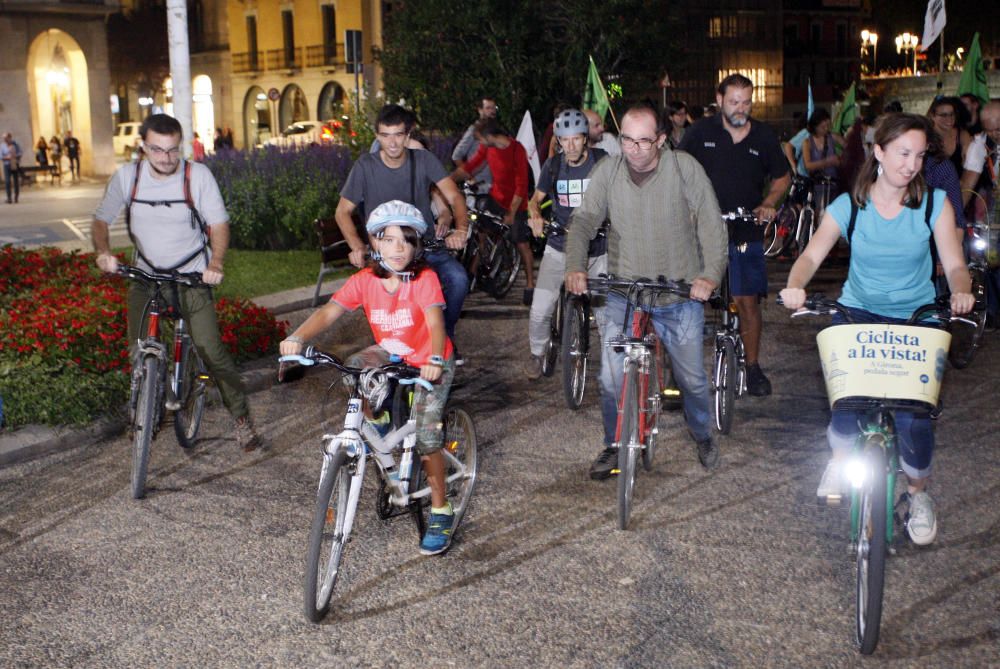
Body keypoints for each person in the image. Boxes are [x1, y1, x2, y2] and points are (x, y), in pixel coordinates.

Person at [779, 113, 974, 546]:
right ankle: (840, 458)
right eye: (903, 153)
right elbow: (811, 256)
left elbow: (956, 264)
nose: (911, 164)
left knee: (913, 416)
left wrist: (962, 291)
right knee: (846, 404)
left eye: (919, 156)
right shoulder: (851, 205)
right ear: (879, 152)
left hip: (916, 318)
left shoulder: (934, 203)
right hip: (858, 314)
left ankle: (919, 494)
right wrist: (795, 285)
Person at [280, 201, 459, 555]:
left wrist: (436, 358)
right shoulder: (364, 281)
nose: (397, 248)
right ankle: (376, 424)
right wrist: (297, 337)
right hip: (391, 351)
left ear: (416, 246)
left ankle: (441, 509)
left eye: (406, 241)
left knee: (425, 436)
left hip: (429, 359)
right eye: (388, 239)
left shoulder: (424, 280)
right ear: (374, 243)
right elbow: (330, 311)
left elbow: (436, 322)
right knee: (353, 368)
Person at [565, 103, 727, 476]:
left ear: (661, 139)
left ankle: (702, 434)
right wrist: (575, 266)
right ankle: (615, 443)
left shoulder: (684, 168)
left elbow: (710, 222)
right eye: (627, 140)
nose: (635, 150)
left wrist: (709, 274)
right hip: (626, 291)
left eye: (644, 141)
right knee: (610, 377)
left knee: (691, 379)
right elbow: (585, 219)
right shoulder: (609, 170)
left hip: (678, 293)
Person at [90, 113, 261, 451]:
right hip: (146, 275)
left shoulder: (196, 176)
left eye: (172, 150)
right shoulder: (128, 177)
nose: (166, 158)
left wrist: (216, 262)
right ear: (142, 147)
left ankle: (241, 418)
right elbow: (100, 220)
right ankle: (142, 412)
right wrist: (104, 252)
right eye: (157, 150)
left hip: (191, 275)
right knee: (137, 349)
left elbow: (219, 224)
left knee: (211, 348)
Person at [679, 73, 791, 397]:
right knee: (689, 301)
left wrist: (769, 203)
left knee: (747, 300)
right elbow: (677, 170)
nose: (740, 108)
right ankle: (679, 373)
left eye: (746, 101)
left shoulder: (764, 137)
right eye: (733, 101)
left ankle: (753, 367)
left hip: (745, 230)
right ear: (719, 100)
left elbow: (782, 178)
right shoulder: (700, 133)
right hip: (702, 231)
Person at [335, 104, 470, 362]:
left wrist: (461, 229)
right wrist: (356, 245)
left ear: (408, 136)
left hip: (424, 248)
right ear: (377, 136)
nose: (392, 142)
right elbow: (342, 211)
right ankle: (393, 348)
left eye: (398, 134)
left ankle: (444, 339)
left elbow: (454, 196)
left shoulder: (423, 160)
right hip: (385, 253)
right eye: (385, 135)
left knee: (458, 279)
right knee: (384, 302)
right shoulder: (365, 166)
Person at [525, 109, 607, 378]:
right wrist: (535, 215)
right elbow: (535, 199)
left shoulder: (601, 161)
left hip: (597, 249)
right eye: (564, 140)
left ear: (586, 139)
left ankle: (611, 365)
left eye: (576, 139)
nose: (570, 146)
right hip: (560, 245)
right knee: (539, 311)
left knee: (607, 316)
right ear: (557, 141)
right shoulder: (554, 166)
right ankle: (537, 354)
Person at [450, 118, 534, 305]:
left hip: (516, 204)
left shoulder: (516, 149)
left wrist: (512, 213)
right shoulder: (488, 148)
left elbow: (521, 185)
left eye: (481, 138)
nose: (479, 142)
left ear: (490, 136)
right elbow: (472, 165)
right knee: (481, 232)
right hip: (496, 198)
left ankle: (529, 284)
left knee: (522, 244)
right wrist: (449, 180)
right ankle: (472, 274)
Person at [452, 97, 497, 197]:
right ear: (480, 110)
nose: (492, 111)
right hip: (477, 189)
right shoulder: (474, 130)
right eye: (488, 108)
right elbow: (456, 155)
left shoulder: (495, 131)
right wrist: (469, 177)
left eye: (494, 108)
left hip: (494, 188)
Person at [927, 97, 971, 181]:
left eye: (952, 114)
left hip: (959, 187)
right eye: (944, 115)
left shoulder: (962, 135)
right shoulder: (925, 137)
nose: (949, 119)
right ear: (932, 116)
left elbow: (969, 166)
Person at [1, 132, 22, 204]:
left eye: (6, 138)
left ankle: (16, 197)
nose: (5, 140)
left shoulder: (15, 144)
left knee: (16, 181)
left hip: (14, 164)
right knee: (7, 181)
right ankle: (9, 198)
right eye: (4, 138)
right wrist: (7, 157)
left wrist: (15, 156)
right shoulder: (2, 146)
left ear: (10, 138)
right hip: (7, 165)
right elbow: (1, 157)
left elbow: (20, 153)